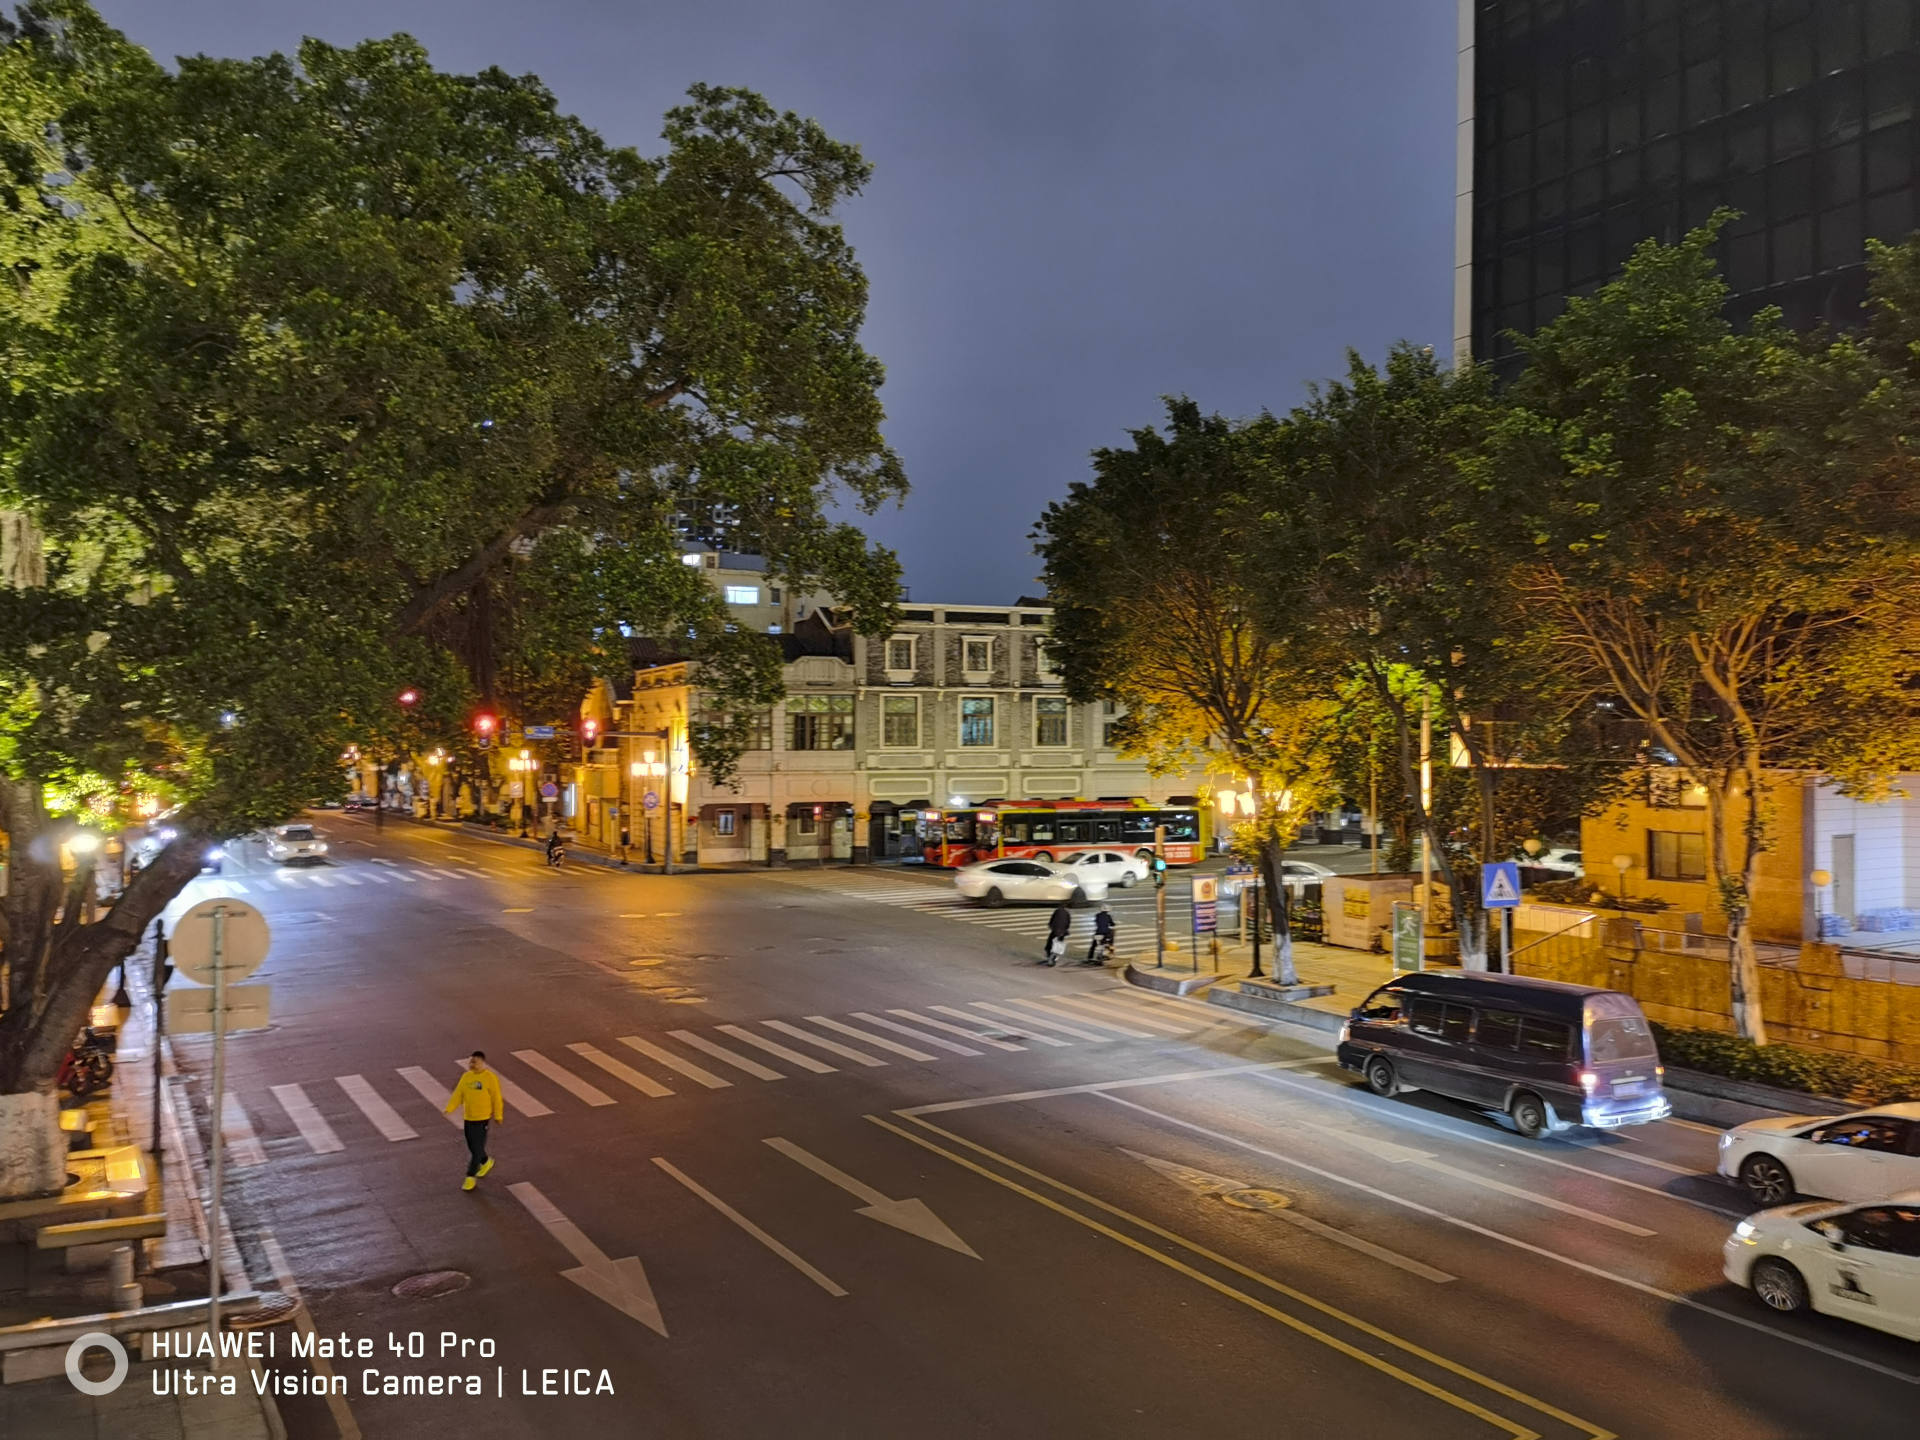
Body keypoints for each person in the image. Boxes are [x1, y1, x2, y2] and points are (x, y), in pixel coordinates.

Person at [443, 1052, 504, 1191]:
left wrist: (498, 1115)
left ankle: (470, 1177)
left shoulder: (490, 1078)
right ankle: (486, 1161)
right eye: (470, 1062)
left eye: (475, 1062)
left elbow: (496, 1098)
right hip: (468, 1118)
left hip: (482, 1119)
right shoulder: (466, 1077)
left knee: (476, 1150)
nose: (472, 1064)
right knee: (472, 1146)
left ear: (483, 1062)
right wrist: (449, 1108)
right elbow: (458, 1094)